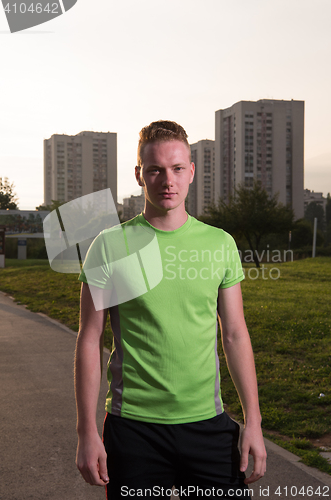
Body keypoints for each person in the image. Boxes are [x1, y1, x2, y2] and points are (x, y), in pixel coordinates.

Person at [75, 120, 267, 499]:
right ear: (139, 175)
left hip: (208, 426)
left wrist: (254, 423)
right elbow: (89, 338)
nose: (168, 180)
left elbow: (234, 333)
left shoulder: (219, 244)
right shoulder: (109, 245)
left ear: (191, 171)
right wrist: (86, 432)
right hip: (133, 431)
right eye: (155, 170)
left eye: (178, 168)